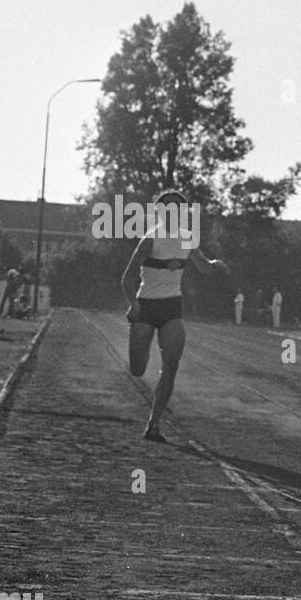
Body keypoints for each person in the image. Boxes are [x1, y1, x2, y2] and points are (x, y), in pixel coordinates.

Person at [121, 189, 231, 443]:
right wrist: (133, 304)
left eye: (177, 208)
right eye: (167, 207)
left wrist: (215, 264)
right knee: (138, 369)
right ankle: (142, 353)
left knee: (171, 365)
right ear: (159, 212)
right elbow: (126, 277)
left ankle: (153, 424)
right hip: (146, 306)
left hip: (172, 307)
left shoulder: (187, 239)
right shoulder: (150, 239)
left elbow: (202, 266)